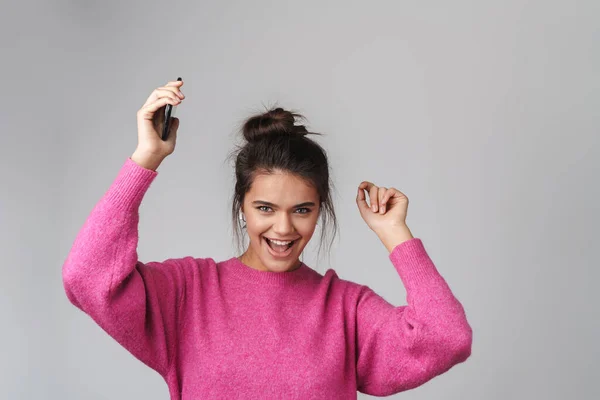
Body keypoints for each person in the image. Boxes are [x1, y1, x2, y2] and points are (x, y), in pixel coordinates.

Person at [62, 79, 473, 399]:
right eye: (265, 208)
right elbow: (87, 276)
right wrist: (145, 159)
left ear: (321, 209)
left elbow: (446, 338)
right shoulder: (189, 294)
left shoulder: (346, 309)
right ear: (241, 205)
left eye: (301, 210)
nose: (283, 229)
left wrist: (395, 233)